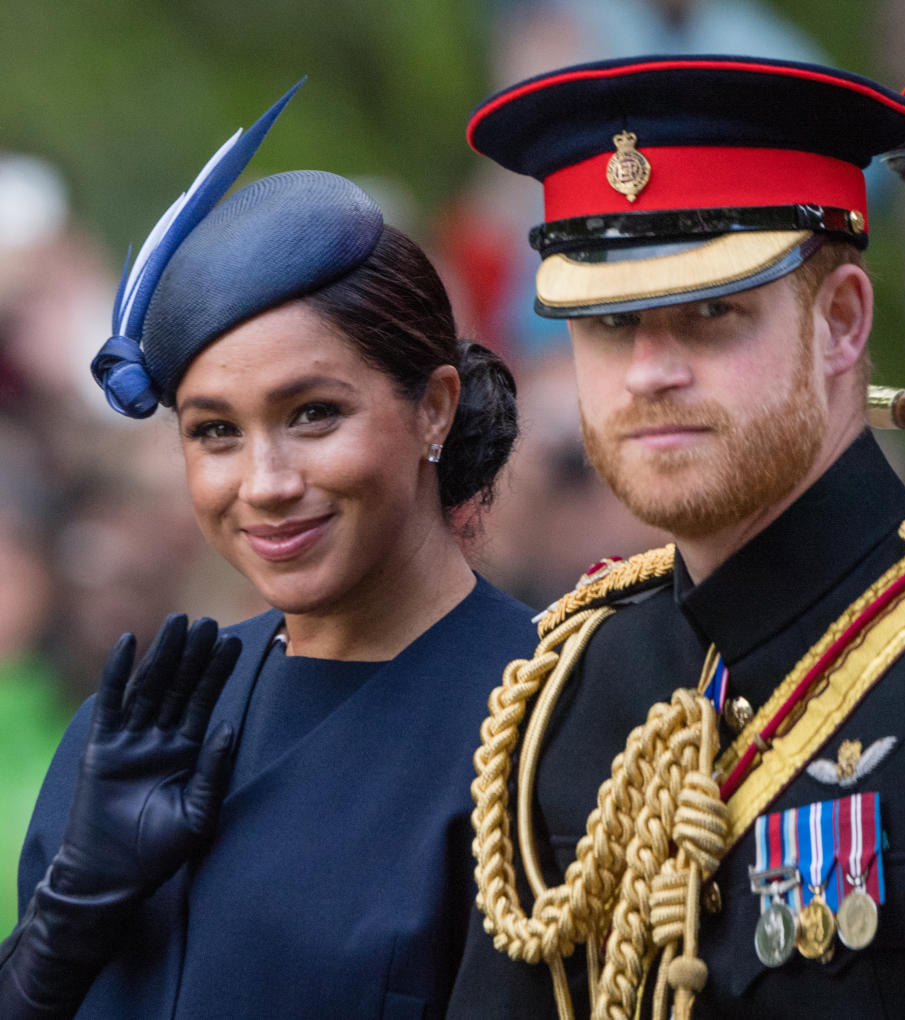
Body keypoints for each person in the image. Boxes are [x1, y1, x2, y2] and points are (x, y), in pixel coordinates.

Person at [446, 30, 905, 1020]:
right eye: (607, 324)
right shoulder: (568, 688)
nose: (649, 371)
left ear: (845, 323)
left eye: (712, 314)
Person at [0, 82, 535, 1019]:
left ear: (434, 409)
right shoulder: (136, 730)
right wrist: (62, 928)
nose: (266, 480)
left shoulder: (537, 723)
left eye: (314, 414)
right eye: (215, 432)